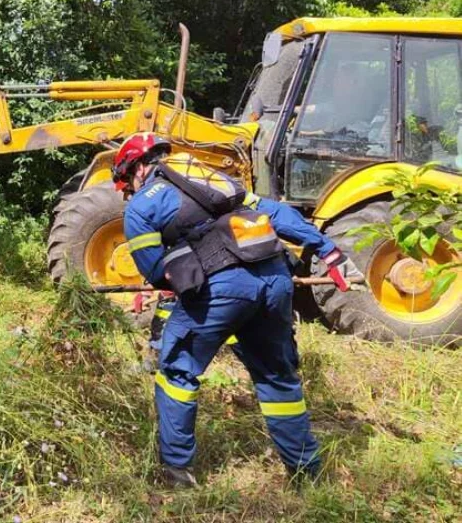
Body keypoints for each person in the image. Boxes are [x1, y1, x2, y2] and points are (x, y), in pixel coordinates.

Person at [112, 133, 361, 488]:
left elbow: (154, 272)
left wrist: (177, 272)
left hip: (221, 290)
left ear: (136, 168)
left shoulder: (140, 208)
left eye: (126, 184)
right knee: (277, 377)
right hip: (275, 280)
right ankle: (308, 475)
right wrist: (327, 250)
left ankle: (178, 474)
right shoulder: (215, 178)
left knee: (177, 373)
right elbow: (274, 213)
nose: (129, 192)